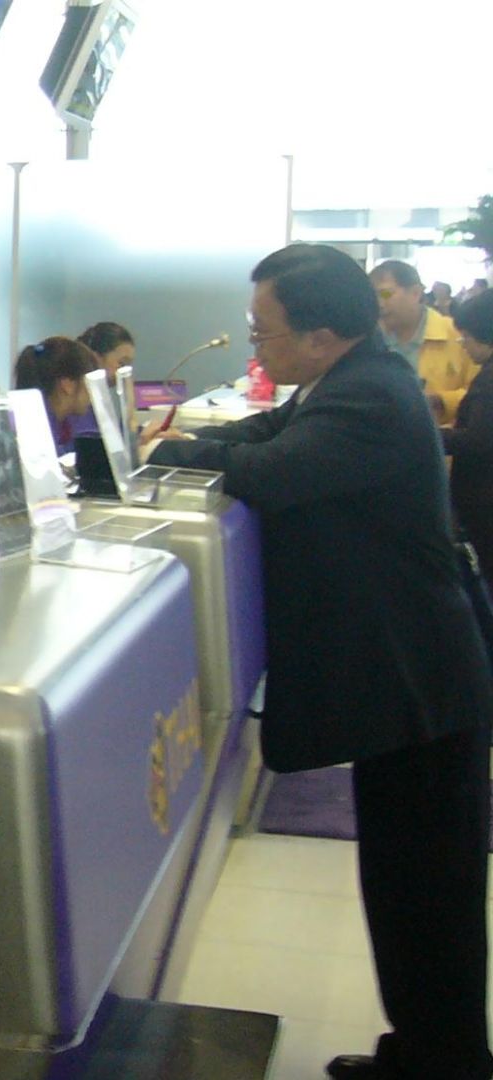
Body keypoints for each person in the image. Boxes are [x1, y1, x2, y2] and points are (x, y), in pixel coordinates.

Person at [147, 244, 493, 1080]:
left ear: (322, 333)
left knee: (428, 900)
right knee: (403, 889)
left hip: (421, 685)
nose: (255, 345)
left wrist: (166, 455)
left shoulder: (371, 396)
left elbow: (269, 470)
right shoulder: (343, 381)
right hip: (405, 680)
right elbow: (262, 431)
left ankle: (448, 1066)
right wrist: (171, 441)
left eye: (264, 332)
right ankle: (423, 1051)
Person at [371, 259, 478, 425]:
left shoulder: (458, 335)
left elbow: (482, 393)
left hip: (446, 443)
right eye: (373, 296)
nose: (379, 303)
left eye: (385, 294)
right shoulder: (367, 341)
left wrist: (441, 401)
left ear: (416, 293)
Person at [444, 290, 493, 587]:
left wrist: (430, 435)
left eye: (466, 338)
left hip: (483, 500)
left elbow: (478, 441)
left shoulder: (489, 380)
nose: (463, 347)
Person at [12, 335, 97, 454]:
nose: (93, 393)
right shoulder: (32, 430)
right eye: (89, 383)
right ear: (68, 384)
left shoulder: (55, 425)